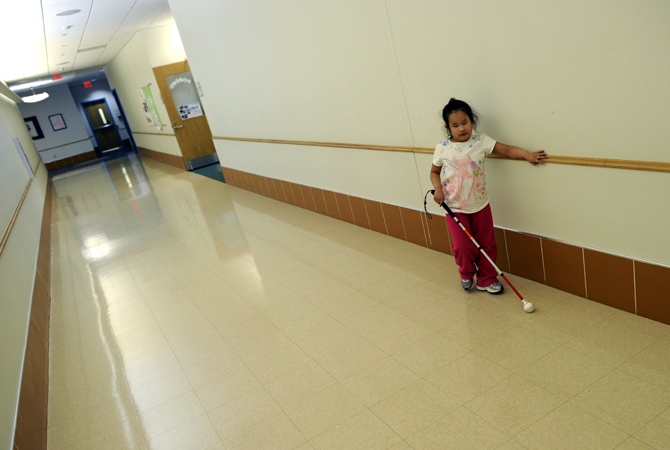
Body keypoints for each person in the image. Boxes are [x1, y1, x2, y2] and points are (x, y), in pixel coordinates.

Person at [429, 98, 547, 294]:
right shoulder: (442, 148)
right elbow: (434, 172)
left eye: (465, 122)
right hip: (455, 207)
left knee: (487, 244)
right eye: (455, 125)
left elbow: (506, 149)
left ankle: (486, 278)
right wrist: (438, 188)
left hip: (481, 205)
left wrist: (527, 155)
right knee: (462, 246)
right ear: (448, 127)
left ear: (472, 120)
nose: (461, 128)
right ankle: (466, 273)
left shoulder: (481, 141)